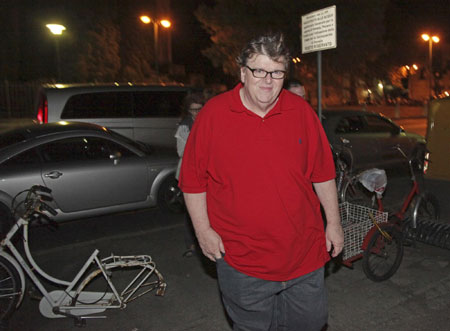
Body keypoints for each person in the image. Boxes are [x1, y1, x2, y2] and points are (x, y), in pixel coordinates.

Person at [178, 32, 344, 331]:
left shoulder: (301, 112)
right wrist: (203, 231)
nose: (268, 80)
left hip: (303, 255)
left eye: (277, 72)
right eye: (259, 71)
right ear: (243, 72)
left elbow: (323, 173)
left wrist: (333, 223)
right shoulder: (213, 116)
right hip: (243, 261)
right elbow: (192, 181)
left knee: (311, 324)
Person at [175, 91, 205, 257]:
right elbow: (181, 151)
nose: (196, 113)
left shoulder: (206, 120)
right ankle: (191, 244)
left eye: (199, 109)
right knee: (191, 211)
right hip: (188, 172)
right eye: (193, 110)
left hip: (204, 172)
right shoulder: (185, 126)